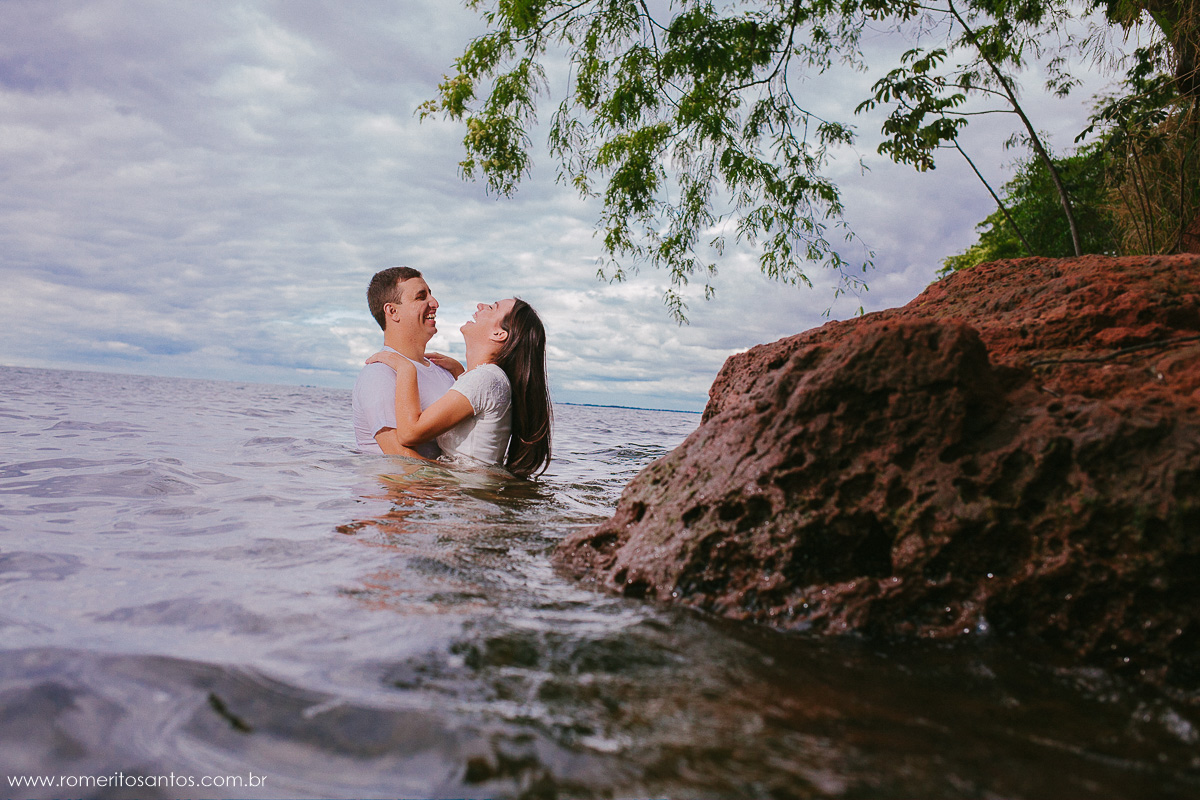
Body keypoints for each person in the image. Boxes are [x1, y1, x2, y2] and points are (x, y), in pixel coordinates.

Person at [365, 297, 553, 478]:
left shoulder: (484, 379)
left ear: (499, 334)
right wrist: (460, 373)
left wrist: (406, 368)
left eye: (492, 307)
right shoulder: (486, 378)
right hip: (468, 496)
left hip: (466, 500)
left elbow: (409, 434)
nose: (480, 305)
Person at [352, 267, 461, 458]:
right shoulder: (380, 373)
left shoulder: (442, 370)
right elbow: (401, 461)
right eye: (421, 297)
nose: (434, 303)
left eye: (430, 295)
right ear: (393, 311)